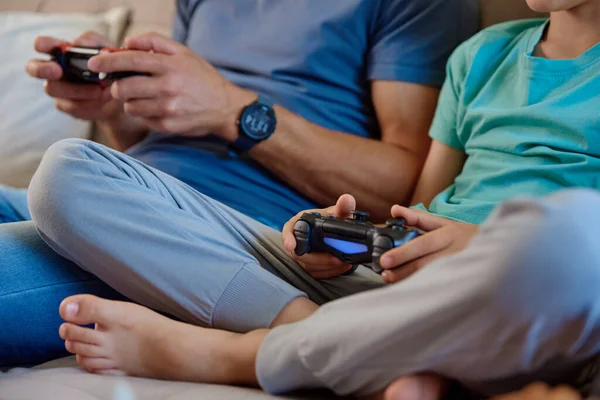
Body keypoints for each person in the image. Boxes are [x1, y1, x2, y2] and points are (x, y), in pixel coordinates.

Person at [21, 0, 600, 398]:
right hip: (392, 287)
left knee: (569, 235)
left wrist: (485, 247)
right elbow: (416, 209)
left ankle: (240, 355)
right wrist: (355, 240)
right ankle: (352, 347)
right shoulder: (482, 57)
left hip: (537, 287)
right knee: (66, 172)